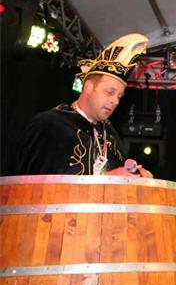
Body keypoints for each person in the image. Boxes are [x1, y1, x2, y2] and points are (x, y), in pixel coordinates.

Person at [14, 33, 152, 177]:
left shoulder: (110, 134)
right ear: (88, 87)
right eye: (109, 92)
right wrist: (108, 178)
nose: (115, 101)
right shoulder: (50, 125)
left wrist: (136, 177)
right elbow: (31, 182)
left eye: (119, 96)